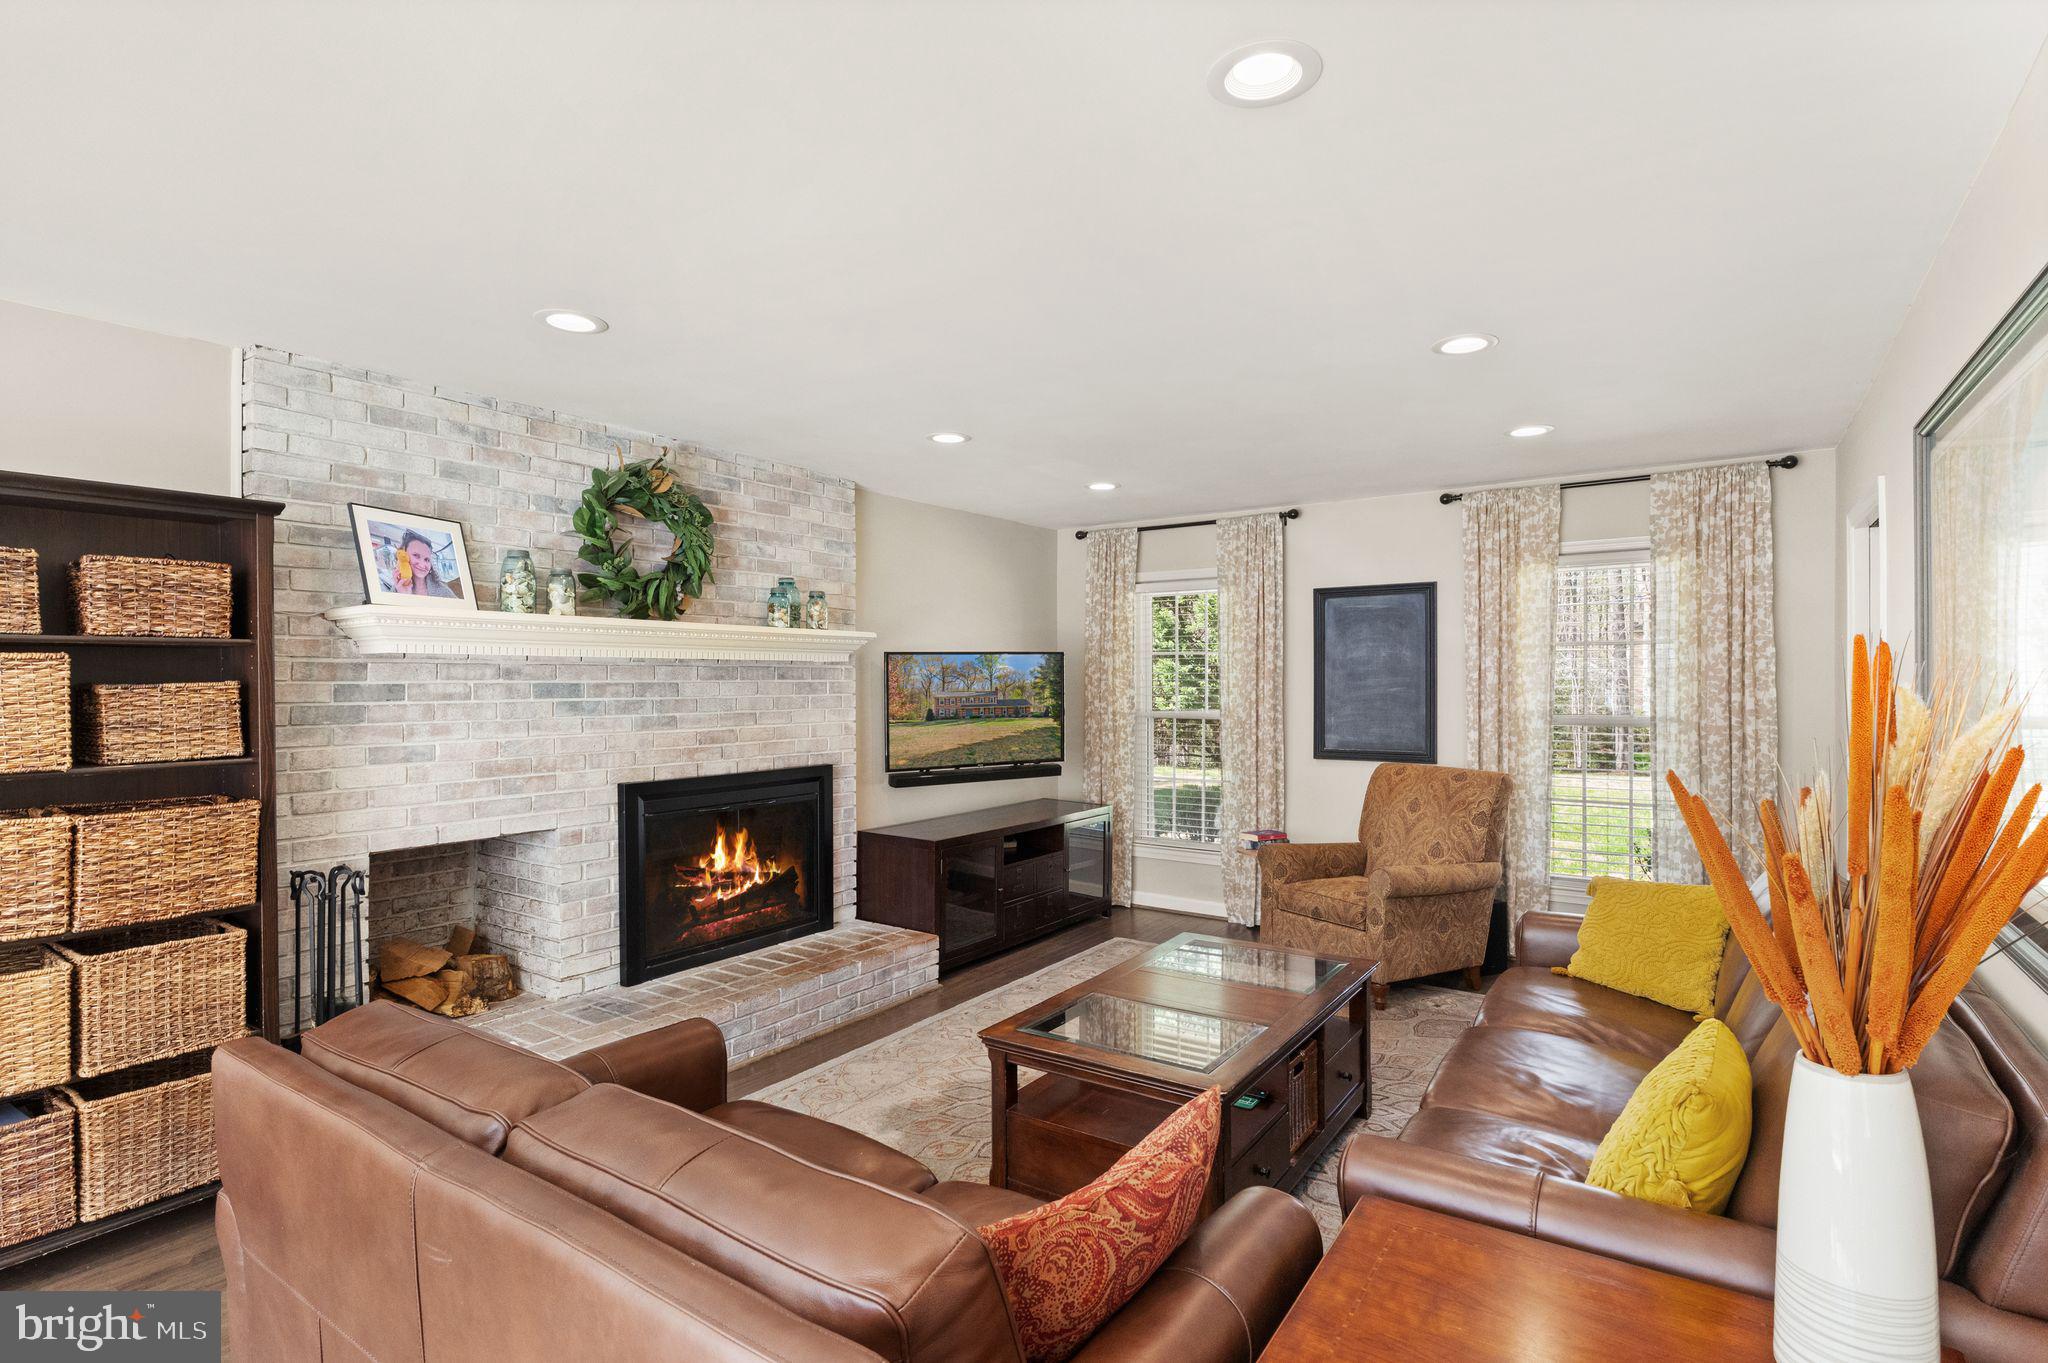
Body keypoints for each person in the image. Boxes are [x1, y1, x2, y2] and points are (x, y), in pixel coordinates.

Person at [390, 529, 457, 598]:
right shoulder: (395, 590)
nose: (422, 564)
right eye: (416, 555)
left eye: (427, 559)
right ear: (404, 554)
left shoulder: (444, 592)